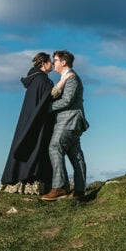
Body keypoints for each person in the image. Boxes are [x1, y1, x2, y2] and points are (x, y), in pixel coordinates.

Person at [0, 52, 55, 193]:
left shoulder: (34, 79)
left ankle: (15, 178)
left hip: (26, 120)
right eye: (50, 62)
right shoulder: (44, 81)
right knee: (37, 146)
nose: (52, 64)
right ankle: (31, 180)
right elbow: (47, 102)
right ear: (43, 63)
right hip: (39, 122)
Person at [41, 50, 89, 201]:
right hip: (73, 121)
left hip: (69, 120)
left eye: (55, 60)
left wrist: (47, 108)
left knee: (55, 147)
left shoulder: (71, 78)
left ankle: (60, 187)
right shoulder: (66, 78)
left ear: (63, 62)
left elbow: (67, 100)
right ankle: (80, 190)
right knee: (76, 155)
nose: (53, 62)